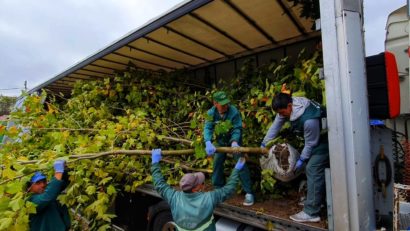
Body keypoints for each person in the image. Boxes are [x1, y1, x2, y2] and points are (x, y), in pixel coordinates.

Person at [261, 93, 329, 223]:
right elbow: (276, 124)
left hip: (326, 140)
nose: (281, 115)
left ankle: (311, 212)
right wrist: (264, 142)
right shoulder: (287, 106)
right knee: (311, 167)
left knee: (312, 168)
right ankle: (317, 201)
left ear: (290, 105)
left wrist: (302, 160)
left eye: (282, 112)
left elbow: (311, 144)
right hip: (316, 139)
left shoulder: (309, 120)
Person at [151, 149, 245, 230]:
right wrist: (236, 169)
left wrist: (155, 163)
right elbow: (228, 189)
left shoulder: (174, 198)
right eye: (201, 183)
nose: (202, 184)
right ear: (195, 189)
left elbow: (159, 184)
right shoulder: (208, 198)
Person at [203, 91, 254, 206]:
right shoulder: (211, 113)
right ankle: (218, 189)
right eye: (222, 104)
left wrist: (235, 141)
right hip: (220, 142)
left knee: (241, 163)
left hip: (234, 142)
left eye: (226, 104)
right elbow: (208, 128)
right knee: (217, 163)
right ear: (215, 103)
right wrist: (208, 142)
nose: (225, 106)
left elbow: (237, 128)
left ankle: (248, 192)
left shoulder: (233, 111)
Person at [28, 160, 71, 231]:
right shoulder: (30, 201)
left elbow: (63, 182)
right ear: (29, 188)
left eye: (44, 181)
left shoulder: (51, 193)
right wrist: (58, 172)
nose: (43, 185)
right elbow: (48, 195)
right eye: (38, 183)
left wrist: (65, 169)